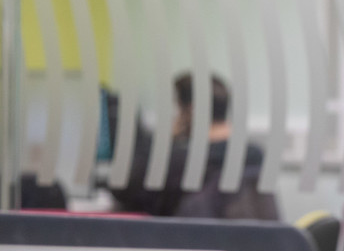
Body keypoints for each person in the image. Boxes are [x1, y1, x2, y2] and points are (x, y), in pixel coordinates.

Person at [108, 73, 278, 220]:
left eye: (178, 110)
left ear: (192, 111)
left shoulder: (180, 161)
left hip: (188, 249)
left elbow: (123, 190)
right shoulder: (255, 155)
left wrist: (171, 140)